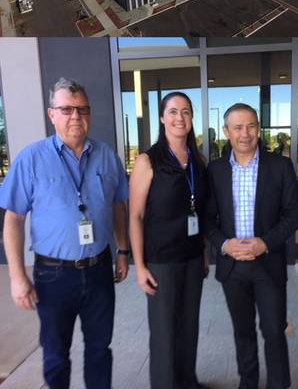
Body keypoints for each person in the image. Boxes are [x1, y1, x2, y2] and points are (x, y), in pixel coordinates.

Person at [0, 77, 129, 389]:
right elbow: (14, 219)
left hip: (99, 270)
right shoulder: (31, 159)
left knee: (100, 349)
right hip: (54, 275)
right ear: (51, 113)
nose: (76, 116)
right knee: (56, 354)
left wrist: (122, 251)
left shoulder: (106, 155)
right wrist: (18, 277)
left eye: (82, 109)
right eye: (67, 109)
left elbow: (118, 206)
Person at [206, 103, 298, 389]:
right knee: (242, 330)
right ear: (227, 132)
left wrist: (265, 243)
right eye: (237, 127)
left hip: (268, 264)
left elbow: (293, 213)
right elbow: (207, 219)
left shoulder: (280, 165)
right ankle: (247, 382)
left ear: (259, 129)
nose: (245, 133)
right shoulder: (216, 170)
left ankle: (278, 384)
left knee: (274, 330)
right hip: (232, 265)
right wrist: (224, 245)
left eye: (251, 126)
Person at [129, 91, 209, 389]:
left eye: (186, 112)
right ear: (162, 117)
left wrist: (202, 253)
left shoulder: (197, 161)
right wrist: (139, 266)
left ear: (191, 119)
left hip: (191, 258)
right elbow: (135, 216)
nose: (180, 117)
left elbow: (198, 212)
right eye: (173, 111)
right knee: (164, 332)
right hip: (161, 262)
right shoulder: (148, 161)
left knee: (189, 328)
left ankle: (187, 381)